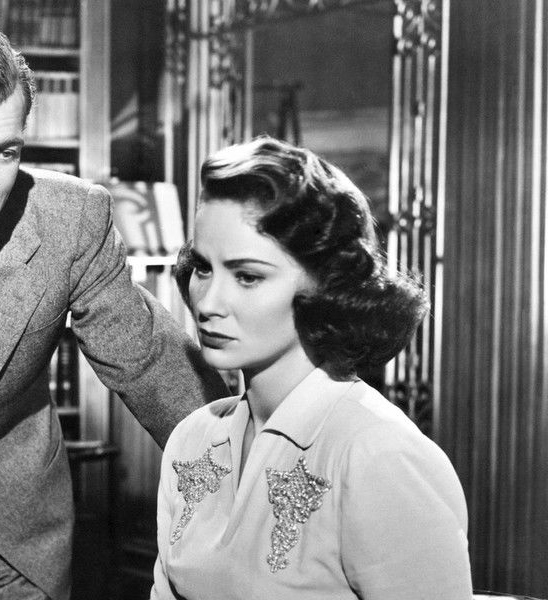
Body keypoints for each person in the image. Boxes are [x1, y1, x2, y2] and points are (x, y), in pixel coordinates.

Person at [0, 8, 228, 600]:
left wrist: (257, 474)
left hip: (2, 545)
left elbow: (151, 365)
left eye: (4, 152)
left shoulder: (68, 219)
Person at [151, 136, 473, 599]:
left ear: (325, 286)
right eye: (203, 268)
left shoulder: (379, 455)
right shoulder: (192, 439)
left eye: (247, 276)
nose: (209, 302)